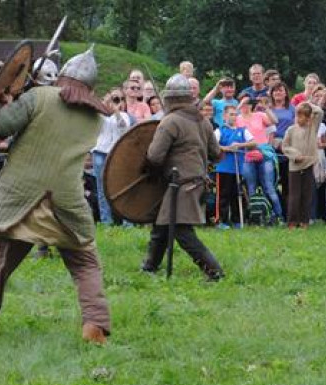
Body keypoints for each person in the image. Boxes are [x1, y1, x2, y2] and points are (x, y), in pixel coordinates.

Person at [0, 47, 111, 344]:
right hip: (65, 201)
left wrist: (8, 102)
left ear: (62, 76)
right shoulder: (96, 119)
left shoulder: (39, 97)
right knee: (85, 263)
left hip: (20, 197)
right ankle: (95, 326)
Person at [141, 74, 225, 280]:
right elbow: (216, 153)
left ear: (169, 99)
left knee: (181, 230)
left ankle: (214, 271)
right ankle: (150, 266)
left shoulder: (170, 122)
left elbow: (154, 156)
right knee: (162, 226)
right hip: (196, 181)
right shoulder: (203, 122)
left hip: (182, 184)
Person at [236, 95, 284, 223]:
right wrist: (240, 105)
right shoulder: (238, 118)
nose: (247, 105)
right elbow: (227, 123)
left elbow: (275, 121)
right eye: (245, 103)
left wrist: (266, 107)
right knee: (251, 187)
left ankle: (278, 215)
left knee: (268, 186)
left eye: (249, 103)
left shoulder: (259, 115)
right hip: (247, 154)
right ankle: (255, 216)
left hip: (264, 152)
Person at [92, 89, 132, 226]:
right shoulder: (99, 115)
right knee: (101, 188)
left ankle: (127, 222)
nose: (117, 101)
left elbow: (123, 128)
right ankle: (106, 222)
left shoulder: (124, 116)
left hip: (116, 153)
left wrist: (116, 110)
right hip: (100, 152)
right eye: (115, 98)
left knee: (121, 186)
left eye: (120, 98)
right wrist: (105, 104)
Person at [281, 102, 324, 228]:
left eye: (302, 116)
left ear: (308, 117)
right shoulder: (291, 130)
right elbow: (285, 146)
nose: (299, 119)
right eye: (297, 116)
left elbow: (320, 112)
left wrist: (307, 104)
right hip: (294, 167)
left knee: (307, 195)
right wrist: (295, 155)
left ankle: (304, 220)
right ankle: (292, 221)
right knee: (294, 196)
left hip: (308, 164)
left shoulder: (312, 127)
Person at [214, 104, 251, 227]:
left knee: (237, 195)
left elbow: (254, 143)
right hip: (224, 168)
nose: (234, 117)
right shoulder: (220, 131)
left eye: (236, 114)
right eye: (231, 114)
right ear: (224, 116)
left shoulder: (242, 131)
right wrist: (227, 148)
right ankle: (221, 220)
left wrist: (240, 145)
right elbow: (213, 146)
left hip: (238, 169)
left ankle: (237, 220)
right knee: (223, 195)